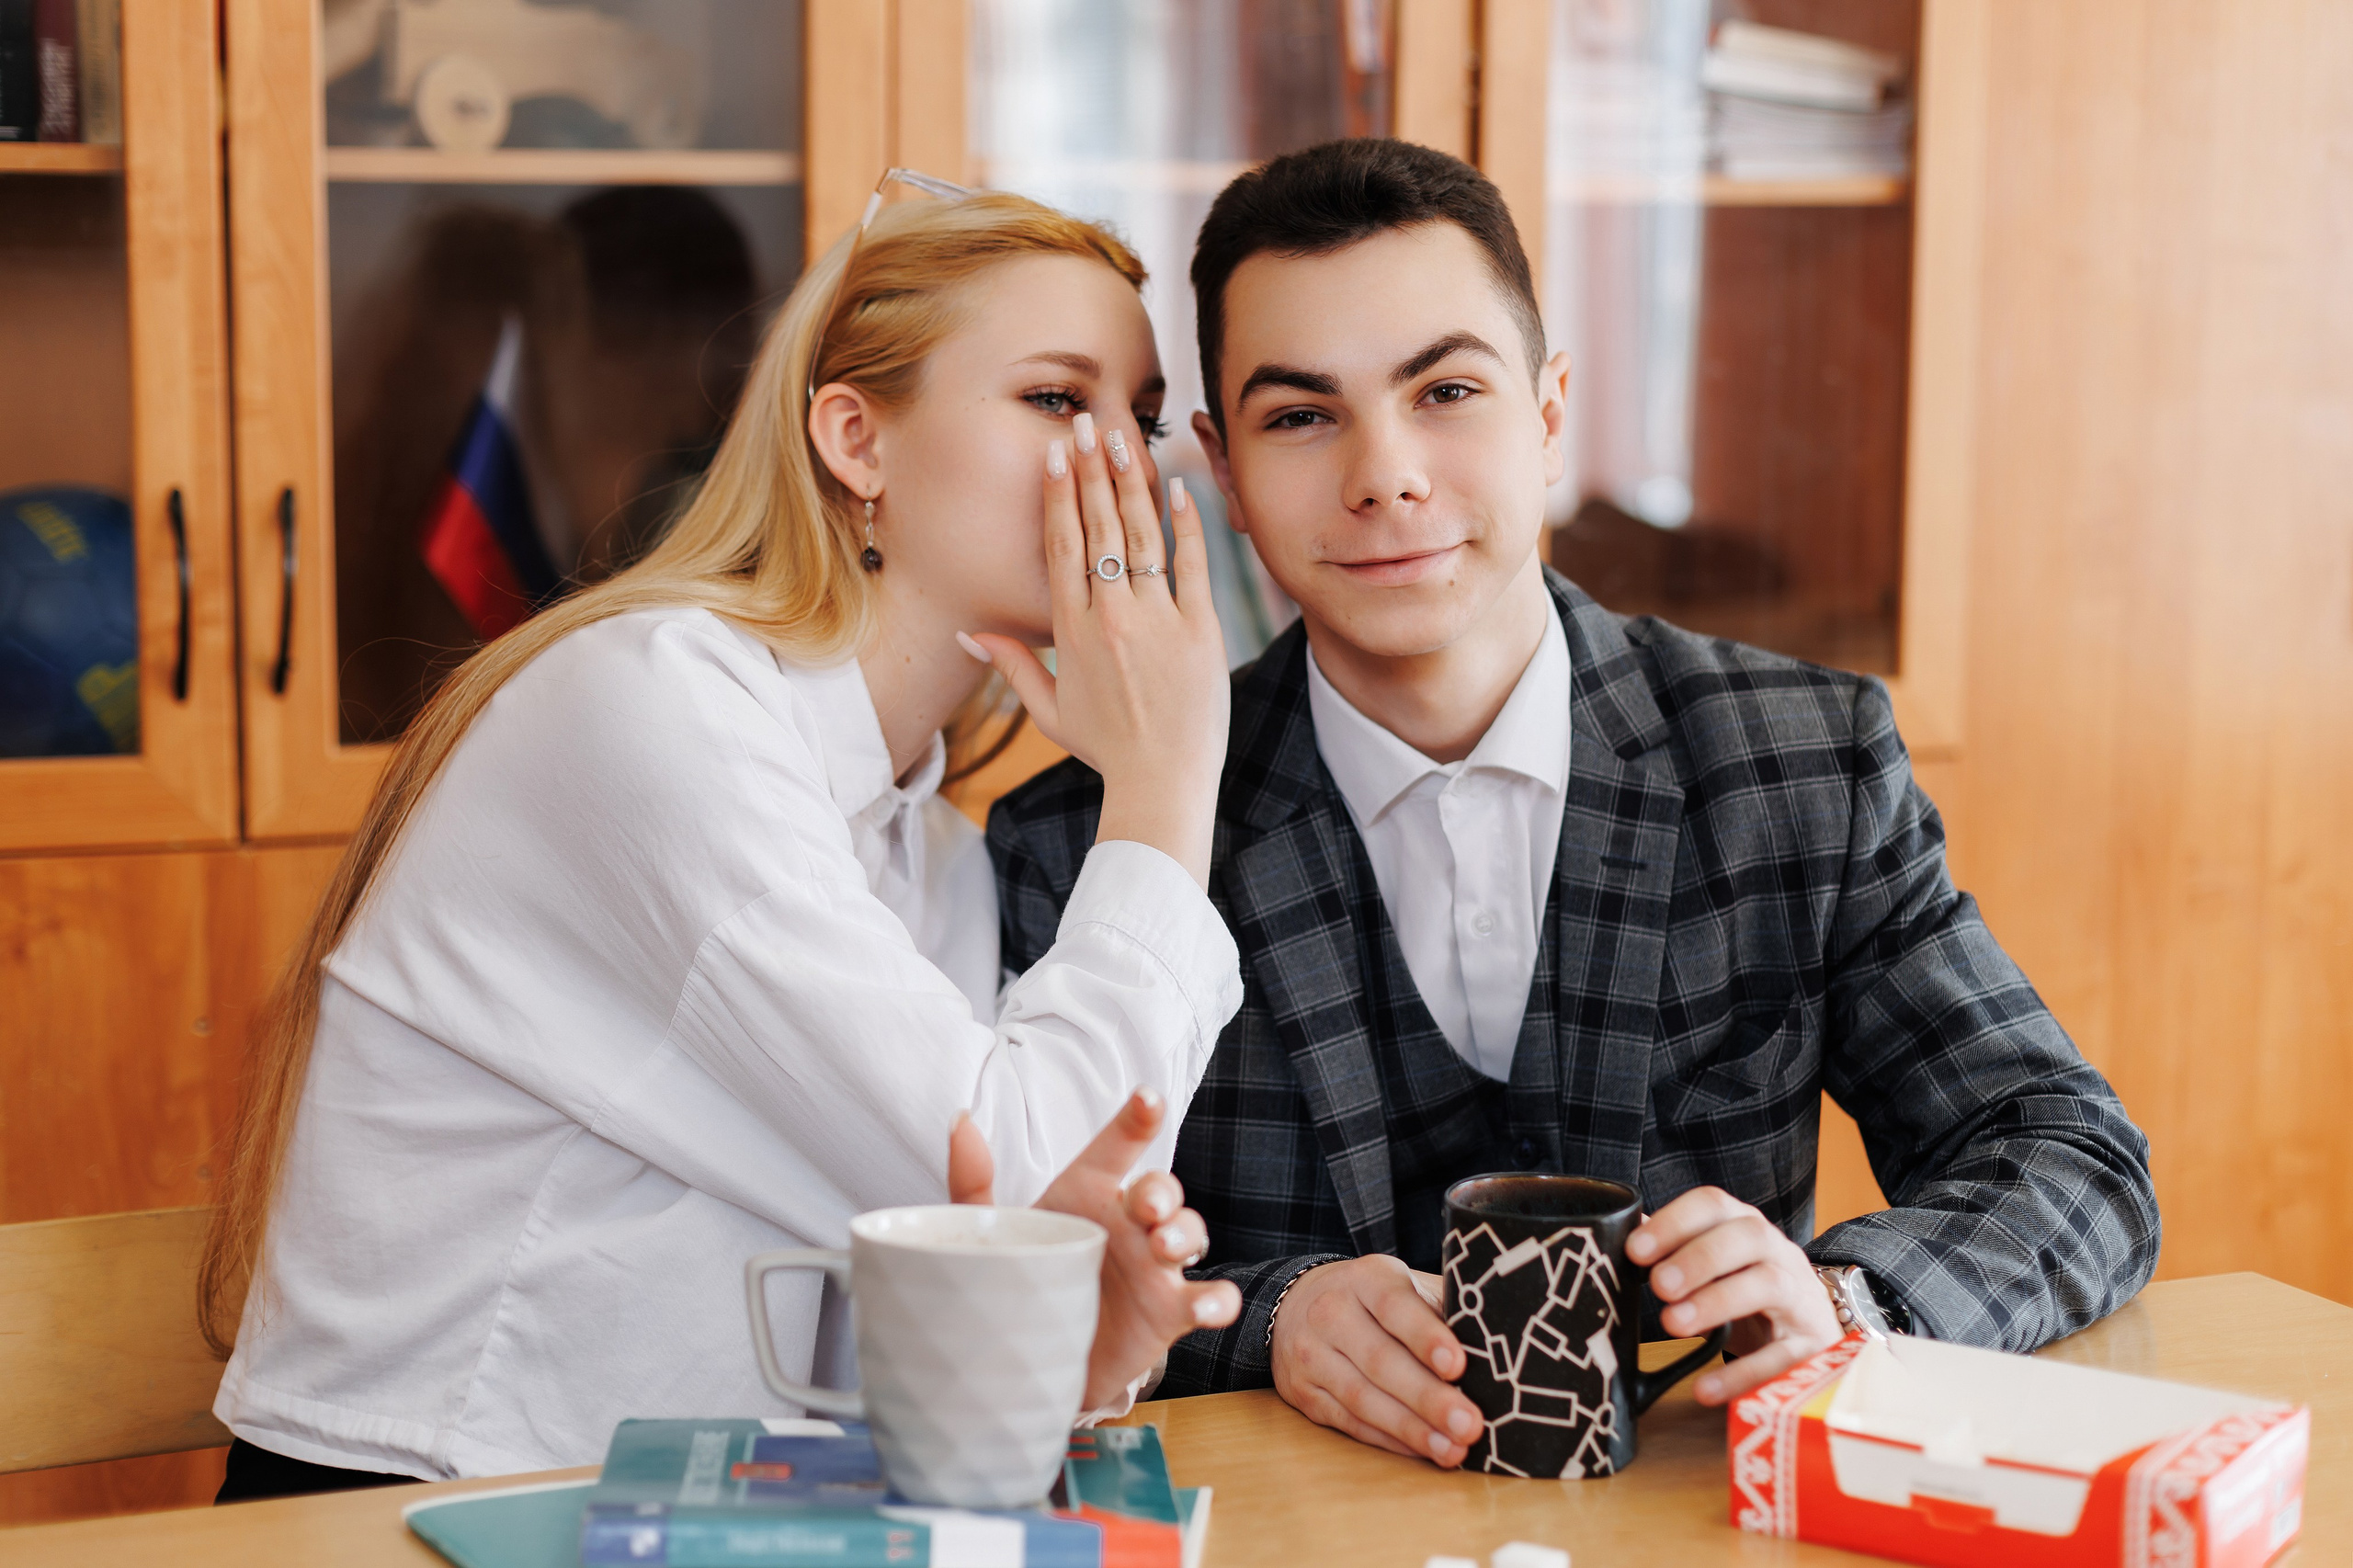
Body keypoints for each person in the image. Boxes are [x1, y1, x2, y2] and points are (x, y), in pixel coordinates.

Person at [987, 139, 2162, 1469]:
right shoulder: (1092, 834)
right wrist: (1270, 1316)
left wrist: (1845, 1305)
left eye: (1446, 391)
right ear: (1226, 470)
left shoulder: (1801, 762)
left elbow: (2071, 1155)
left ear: (1549, 415)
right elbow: (1027, 1261)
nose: (1386, 475)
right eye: (1302, 416)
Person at [201, 184, 1245, 1497]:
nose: (1124, 468)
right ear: (856, 440)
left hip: (703, 1507)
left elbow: (980, 1248)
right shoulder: (655, 711)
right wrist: (1165, 781)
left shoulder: (929, 851)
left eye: (1141, 420)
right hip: (415, 1507)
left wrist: (1076, 1344)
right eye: (1055, 399)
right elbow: (1027, 1169)